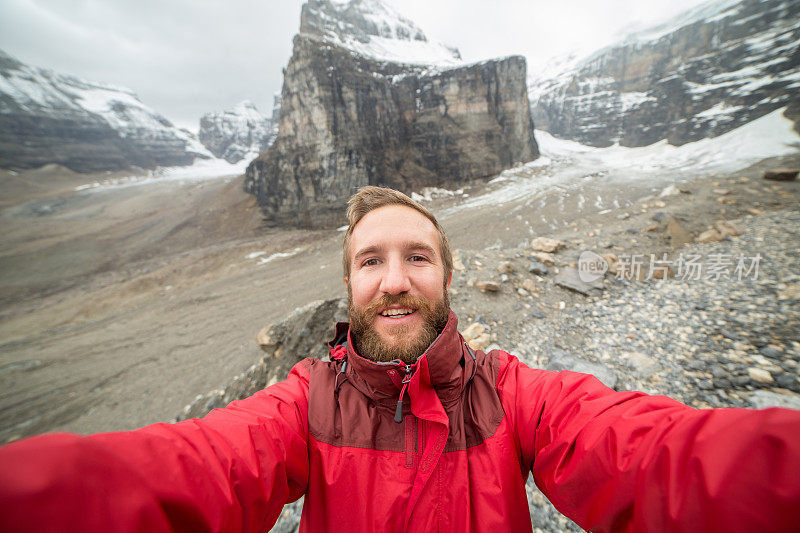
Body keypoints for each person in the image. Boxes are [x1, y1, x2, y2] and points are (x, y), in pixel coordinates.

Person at [1, 186, 799, 533]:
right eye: (371, 260)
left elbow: (659, 458)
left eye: (416, 256)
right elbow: (188, 470)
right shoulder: (305, 403)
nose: (394, 282)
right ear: (348, 285)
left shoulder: (511, 394)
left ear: (447, 275)